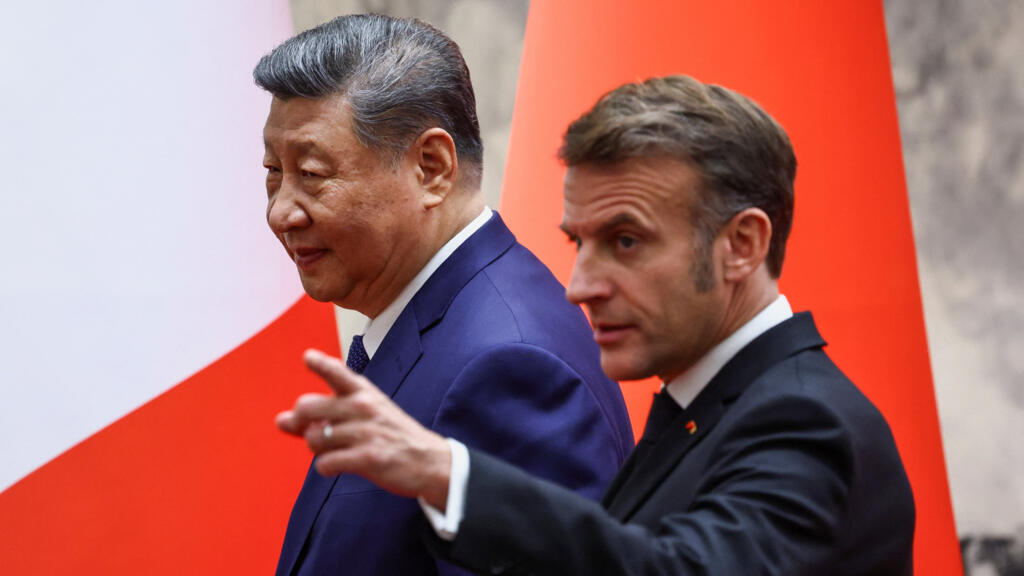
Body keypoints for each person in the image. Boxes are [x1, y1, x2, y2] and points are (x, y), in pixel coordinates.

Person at [278, 74, 917, 575]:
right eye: (579, 243)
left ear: (742, 245)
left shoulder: (804, 420)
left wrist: (451, 477)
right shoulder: (711, 405)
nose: (580, 286)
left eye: (626, 241)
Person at [254, 14, 635, 576]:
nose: (280, 211)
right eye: (273, 171)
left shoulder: (509, 367)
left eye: (311, 173)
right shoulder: (439, 316)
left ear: (431, 168)